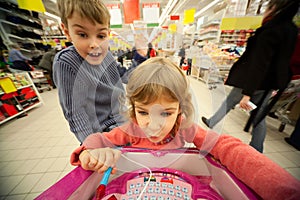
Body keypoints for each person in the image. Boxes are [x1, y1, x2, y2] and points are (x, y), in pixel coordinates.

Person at [70, 57, 300, 200]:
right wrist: (89, 153)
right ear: (133, 110)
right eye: (143, 112)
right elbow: (98, 140)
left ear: (180, 110)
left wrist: (283, 190)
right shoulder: (130, 129)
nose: (153, 124)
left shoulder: (185, 129)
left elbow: (225, 146)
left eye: (166, 113)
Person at [201, 0, 299, 153]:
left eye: (267, 7)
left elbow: (259, 64)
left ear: (274, 9)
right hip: (270, 83)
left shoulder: (270, 31)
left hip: (254, 82)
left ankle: (214, 122)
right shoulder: (291, 30)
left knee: (232, 103)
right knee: (258, 114)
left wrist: (248, 93)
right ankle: (256, 146)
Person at [54, 0, 146, 143]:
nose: (94, 44)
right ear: (67, 32)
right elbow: (75, 112)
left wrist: (140, 56)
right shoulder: (67, 62)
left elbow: (127, 77)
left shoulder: (107, 55)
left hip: (124, 124)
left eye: (101, 36)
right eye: (82, 34)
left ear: (108, 34)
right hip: (102, 135)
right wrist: (92, 146)